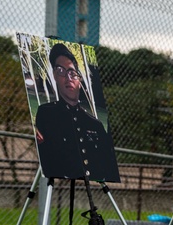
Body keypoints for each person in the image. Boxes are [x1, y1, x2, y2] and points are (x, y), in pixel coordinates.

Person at [34, 43, 118, 182]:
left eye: (73, 73)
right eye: (61, 70)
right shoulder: (46, 114)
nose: (68, 78)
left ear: (79, 79)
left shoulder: (94, 124)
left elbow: (106, 164)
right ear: (54, 76)